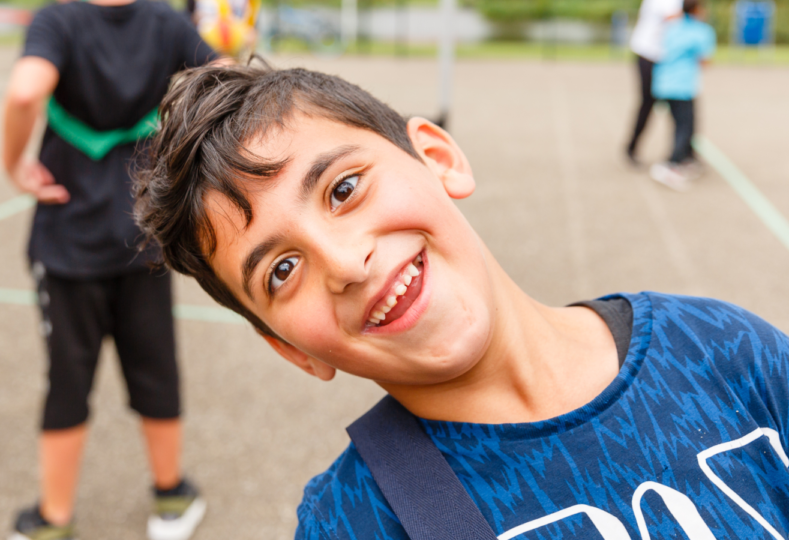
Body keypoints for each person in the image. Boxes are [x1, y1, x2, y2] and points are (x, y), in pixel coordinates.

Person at [133, 64, 789, 537]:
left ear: (439, 156)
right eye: (281, 269)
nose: (343, 262)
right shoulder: (358, 521)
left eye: (342, 189)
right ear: (289, 349)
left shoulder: (722, 348)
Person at [1, 0, 217, 540]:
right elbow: (231, 80)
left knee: (67, 377)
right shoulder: (163, 21)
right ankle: (171, 497)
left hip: (67, 239)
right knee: (155, 366)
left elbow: (24, 89)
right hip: (144, 232)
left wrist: (15, 163)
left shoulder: (58, 20)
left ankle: (54, 518)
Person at [627, 0, 696, 166]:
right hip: (653, 56)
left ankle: (684, 151)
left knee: (674, 105)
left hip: (657, 56)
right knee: (662, 104)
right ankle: (635, 148)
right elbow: (675, 19)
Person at [649, 0, 715, 192]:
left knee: (680, 123)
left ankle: (685, 160)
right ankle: (672, 164)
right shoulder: (702, 31)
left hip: (663, 82)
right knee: (685, 127)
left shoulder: (672, 27)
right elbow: (704, 60)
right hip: (683, 85)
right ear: (696, 10)